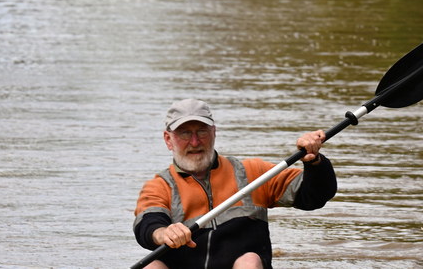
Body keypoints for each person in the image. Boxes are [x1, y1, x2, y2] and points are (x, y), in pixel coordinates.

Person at [133, 99, 337, 269]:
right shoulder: (159, 186)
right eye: (185, 133)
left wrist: (314, 161)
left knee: (249, 261)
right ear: (168, 140)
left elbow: (314, 195)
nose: (195, 142)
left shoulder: (254, 172)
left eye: (202, 131)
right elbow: (148, 225)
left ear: (214, 132)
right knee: (151, 266)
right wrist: (163, 233)